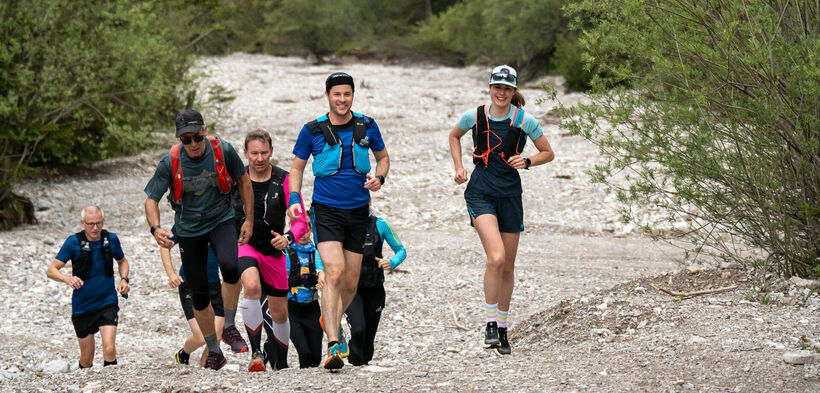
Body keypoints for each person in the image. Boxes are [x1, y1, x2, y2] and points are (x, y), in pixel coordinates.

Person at [447, 65, 554, 355]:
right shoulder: (475, 116)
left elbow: (548, 152)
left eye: (507, 88)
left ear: (514, 91)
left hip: (510, 196)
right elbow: (454, 136)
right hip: (480, 193)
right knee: (496, 257)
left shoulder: (524, 120)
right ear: (490, 88)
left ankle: (503, 329)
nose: (501, 92)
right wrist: (458, 167)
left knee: (508, 265)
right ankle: (490, 324)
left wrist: (528, 161)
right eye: (497, 87)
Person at [288, 72, 390, 370]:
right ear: (328, 95)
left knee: (350, 280)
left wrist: (379, 178)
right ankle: (333, 344)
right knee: (333, 271)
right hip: (327, 210)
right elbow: (297, 169)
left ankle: (328, 316)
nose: (342, 100)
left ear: (352, 95)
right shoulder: (312, 130)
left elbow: (383, 158)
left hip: (359, 212)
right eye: (337, 95)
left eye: (347, 94)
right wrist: (295, 200)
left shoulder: (367, 125)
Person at [144, 109, 254, 370]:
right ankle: (214, 351)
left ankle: (228, 325)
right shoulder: (170, 161)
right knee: (200, 295)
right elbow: (151, 200)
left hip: (221, 218)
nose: (192, 144)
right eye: (186, 139)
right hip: (189, 228)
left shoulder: (222, 150)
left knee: (230, 266)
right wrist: (155, 228)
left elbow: (244, 181)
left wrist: (249, 219)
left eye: (196, 137)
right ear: (179, 139)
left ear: (204, 131)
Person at [232, 130, 309, 372]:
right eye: (254, 153)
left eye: (264, 152)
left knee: (280, 313)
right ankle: (255, 353)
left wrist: (288, 238)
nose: (259, 158)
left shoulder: (284, 180)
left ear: (272, 152)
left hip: (274, 250)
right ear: (245, 153)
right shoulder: (236, 179)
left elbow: (301, 221)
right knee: (252, 287)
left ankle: (281, 361)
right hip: (244, 245)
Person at [46, 206, 130, 369]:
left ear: (103, 222)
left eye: (99, 223)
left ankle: (110, 384)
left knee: (110, 349)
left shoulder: (111, 239)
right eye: (91, 224)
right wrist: (67, 279)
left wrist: (124, 279)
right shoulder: (73, 242)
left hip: (107, 301)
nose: (95, 228)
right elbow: (51, 270)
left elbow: (122, 261)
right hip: (82, 307)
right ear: (83, 223)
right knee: (86, 358)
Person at [158, 225, 225, 367]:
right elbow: (164, 246)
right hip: (189, 283)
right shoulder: (186, 219)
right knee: (202, 337)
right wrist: (171, 274)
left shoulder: (221, 220)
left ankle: (206, 373)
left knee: (216, 338)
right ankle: (183, 353)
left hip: (213, 284)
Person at [344, 211, 406, 366]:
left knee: (368, 342)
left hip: (375, 288)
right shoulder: (342, 223)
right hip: (352, 290)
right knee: (358, 331)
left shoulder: (380, 224)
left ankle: (361, 372)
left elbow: (401, 251)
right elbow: (322, 250)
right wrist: (321, 271)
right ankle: (350, 358)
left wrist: (390, 263)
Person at [285, 220, 325, 368]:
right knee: (304, 353)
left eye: (305, 231)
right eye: (299, 232)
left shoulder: (317, 252)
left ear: (310, 231)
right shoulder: (285, 252)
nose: (302, 235)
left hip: (312, 308)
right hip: (292, 309)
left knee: (316, 359)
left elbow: (322, 268)